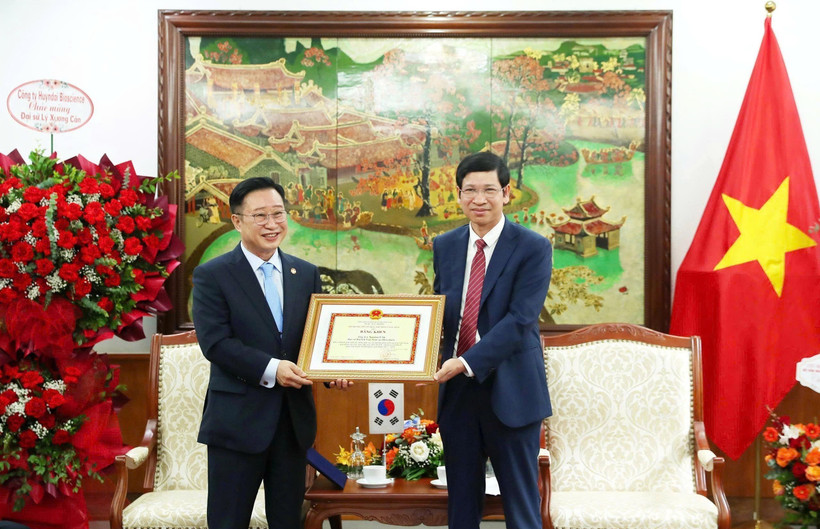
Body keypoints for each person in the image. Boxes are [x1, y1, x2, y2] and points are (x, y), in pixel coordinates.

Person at [192, 176, 350, 529]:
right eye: (260, 215)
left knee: (288, 521)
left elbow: (315, 339)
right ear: (237, 221)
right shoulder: (212, 276)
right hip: (237, 423)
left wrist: (334, 370)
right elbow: (215, 343)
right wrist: (272, 368)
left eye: (278, 214)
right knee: (228, 522)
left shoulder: (305, 273)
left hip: (292, 424)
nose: (272, 224)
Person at [432, 151, 552, 529]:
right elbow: (440, 312)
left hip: (512, 388)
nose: (479, 199)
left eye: (489, 190)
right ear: (458, 195)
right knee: (462, 505)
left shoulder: (533, 247)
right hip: (457, 393)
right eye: (470, 190)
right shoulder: (445, 245)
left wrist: (466, 361)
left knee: (521, 506)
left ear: (506, 193)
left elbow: (520, 320)